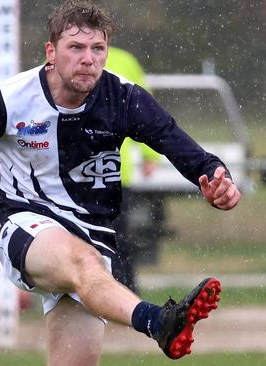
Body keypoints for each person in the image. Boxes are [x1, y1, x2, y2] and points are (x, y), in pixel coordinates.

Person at [0, 1, 241, 364]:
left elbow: (183, 148)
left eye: (98, 49)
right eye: (76, 48)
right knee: (83, 262)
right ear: (51, 52)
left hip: (94, 234)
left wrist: (218, 178)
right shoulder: (12, 100)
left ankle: (155, 320)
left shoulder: (124, 99)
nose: (88, 59)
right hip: (26, 223)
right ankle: (158, 321)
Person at [105, 46, 162, 294]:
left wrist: (150, 154)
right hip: (71, 174)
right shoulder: (60, 56)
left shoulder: (124, 60)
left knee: (118, 237)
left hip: (117, 172)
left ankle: (125, 292)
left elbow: (143, 108)